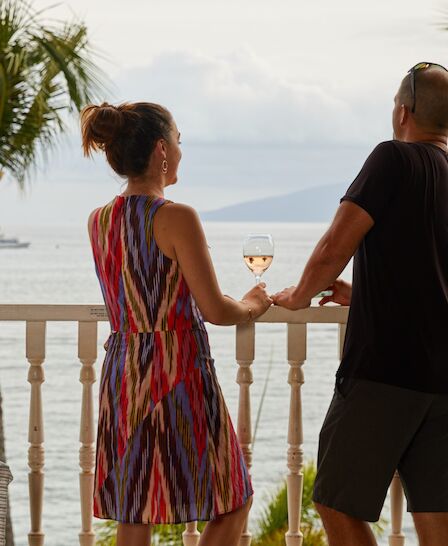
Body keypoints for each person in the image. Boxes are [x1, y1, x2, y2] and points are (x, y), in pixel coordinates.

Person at [272, 62, 448, 546]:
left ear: (402, 111)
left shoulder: (394, 159)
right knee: (439, 517)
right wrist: (367, 291)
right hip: (442, 379)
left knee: (335, 500)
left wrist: (300, 295)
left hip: (385, 371)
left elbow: (335, 247)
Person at [80, 101, 272, 546]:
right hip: (176, 371)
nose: (182, 153)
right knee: (233, 496)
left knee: (134, 512)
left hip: (124, 374)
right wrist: (254, 304)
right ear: (162, 150)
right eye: (179, 142)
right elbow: (216, 310)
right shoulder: (175, 217)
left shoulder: (99, 220)